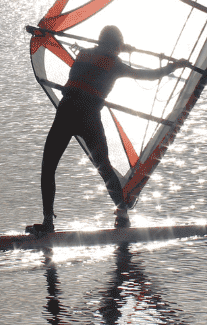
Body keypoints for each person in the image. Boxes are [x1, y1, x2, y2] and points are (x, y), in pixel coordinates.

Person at [33, 25, 181, 235]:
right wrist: (172, 67)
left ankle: (48, 220)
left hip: (66, 112)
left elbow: (100, 53)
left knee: (48, 167)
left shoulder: (84, 54)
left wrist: (121, 48)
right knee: (104, 168)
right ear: (116, 46)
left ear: (100, 40)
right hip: (88, 117)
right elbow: (148, 74)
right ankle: (122, 215)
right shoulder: (115, 64)